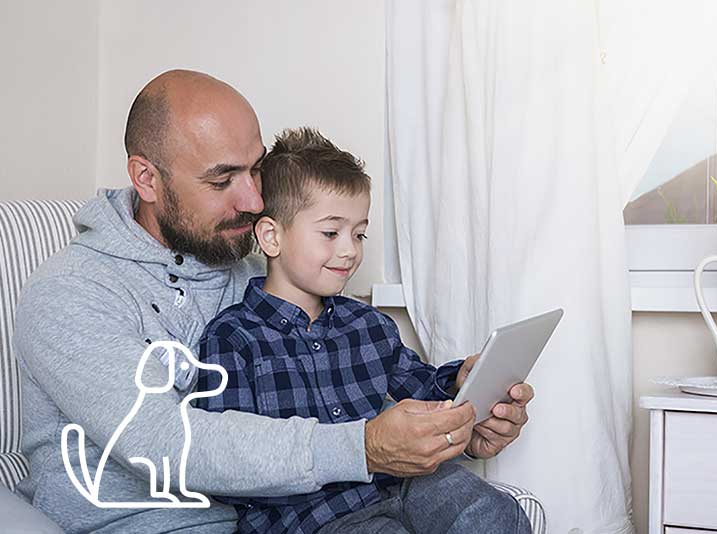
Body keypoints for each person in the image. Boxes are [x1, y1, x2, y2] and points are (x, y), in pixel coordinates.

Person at [13, 70, 533, 533]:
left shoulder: (252, 264)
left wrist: (461, 425)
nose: (254, 200)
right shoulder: (71, 293)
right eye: (222, 179)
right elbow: (169, 445)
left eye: (255, 170)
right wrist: (366, 445)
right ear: (147, 178)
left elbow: (350, 384)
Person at [195, 127, 531, 534]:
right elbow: (229, 460)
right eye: (330, 233)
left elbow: (421, 386)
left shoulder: (369, 325)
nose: (350, 250)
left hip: (399, 485)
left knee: (493, 511)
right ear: (271, 236)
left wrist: (463, 382)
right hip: (312, 518)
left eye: (359, 234)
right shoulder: (232, 338)